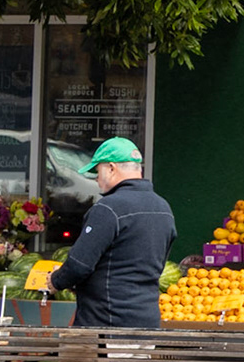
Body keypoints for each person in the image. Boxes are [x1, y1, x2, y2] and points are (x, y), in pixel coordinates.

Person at [49, 137, 175, 329]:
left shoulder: (108, 208)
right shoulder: (163, 207)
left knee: (84, 360)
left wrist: (56, 281)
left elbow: (79, 265)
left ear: (111, 168)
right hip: (147, 322)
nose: (96, 179)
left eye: (97, 171)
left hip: (107, 324)